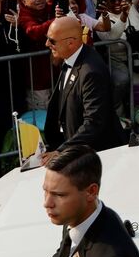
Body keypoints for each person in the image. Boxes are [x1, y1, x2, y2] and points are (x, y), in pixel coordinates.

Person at [0, 144, 139, 257]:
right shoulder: (78, 218)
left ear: (91, 192)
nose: (47, 203)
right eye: (45, 191)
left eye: (59, 195)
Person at [43, 16, 125, 154]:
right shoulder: (71, 59)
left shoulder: (91, 71)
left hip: (99, 156)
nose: (46, 44)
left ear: (70, 43)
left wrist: (62, 151)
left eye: (52, 41)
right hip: (79, 152)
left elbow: (94, 122)